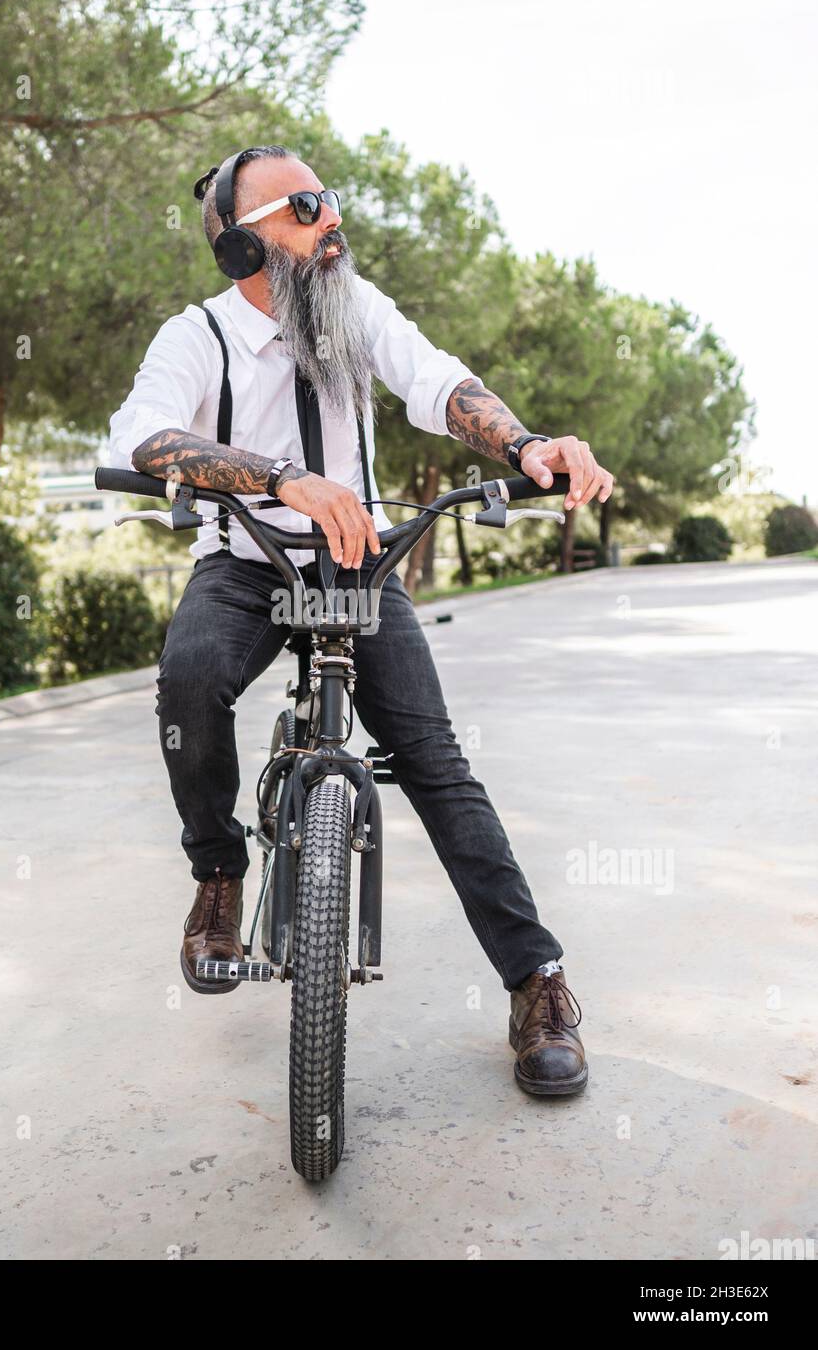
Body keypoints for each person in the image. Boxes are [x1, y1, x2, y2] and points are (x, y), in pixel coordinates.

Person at [107, 145, 615, 1097]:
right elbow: (144, 435)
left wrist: (528, 442)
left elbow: (441, 386)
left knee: (435, 762)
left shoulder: (354, 306)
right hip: (246, 563)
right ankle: (219, 876)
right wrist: (280, 480)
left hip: (359, 564)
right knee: (190, 679)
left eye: (328, 197)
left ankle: (537, 982)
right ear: (244, 251)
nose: (330, 219)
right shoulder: (197, 337)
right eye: (305, 208)